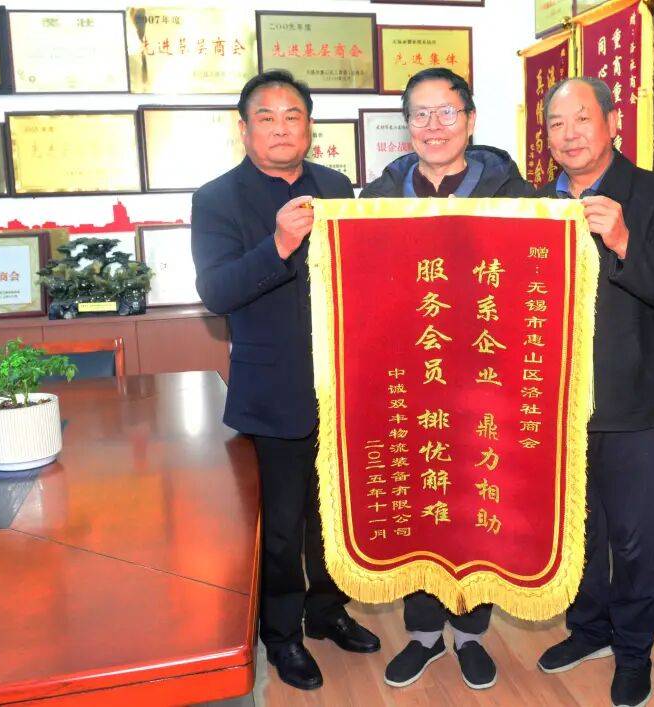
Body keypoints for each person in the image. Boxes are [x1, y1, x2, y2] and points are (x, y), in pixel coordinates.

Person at [190, 70, 380, 692]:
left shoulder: (336, 187)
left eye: (292, 116)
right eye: (266, 117)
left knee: (333, 514)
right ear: (244, 129)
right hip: (272, 392)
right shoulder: (217, 198)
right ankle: (281, 633)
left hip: (342, 386)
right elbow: (216, 292)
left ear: (309, 127)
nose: (280, 128)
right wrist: (277, 243)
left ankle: (327, 611)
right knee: (279, 526)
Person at [360, 67, 533, 691]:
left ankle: (471, 633)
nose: (434, 127)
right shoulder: (376, 200)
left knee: (475, 504)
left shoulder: (516, 198)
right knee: (420, 503)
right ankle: (425, 635)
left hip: (486, 381)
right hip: (411, 381)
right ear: (406, 126)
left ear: (471, 120)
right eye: (421, 115)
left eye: (447, 112)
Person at [533, 77, 654, 707]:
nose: (570, 134)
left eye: (582, 119)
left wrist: (624, 240)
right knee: (577, 530)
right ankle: (588, 629)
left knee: (631, 537)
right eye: (557, 124)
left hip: (632, 400)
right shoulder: (535, 204)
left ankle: (634, 652)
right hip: (556, 402)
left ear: (612, 122)